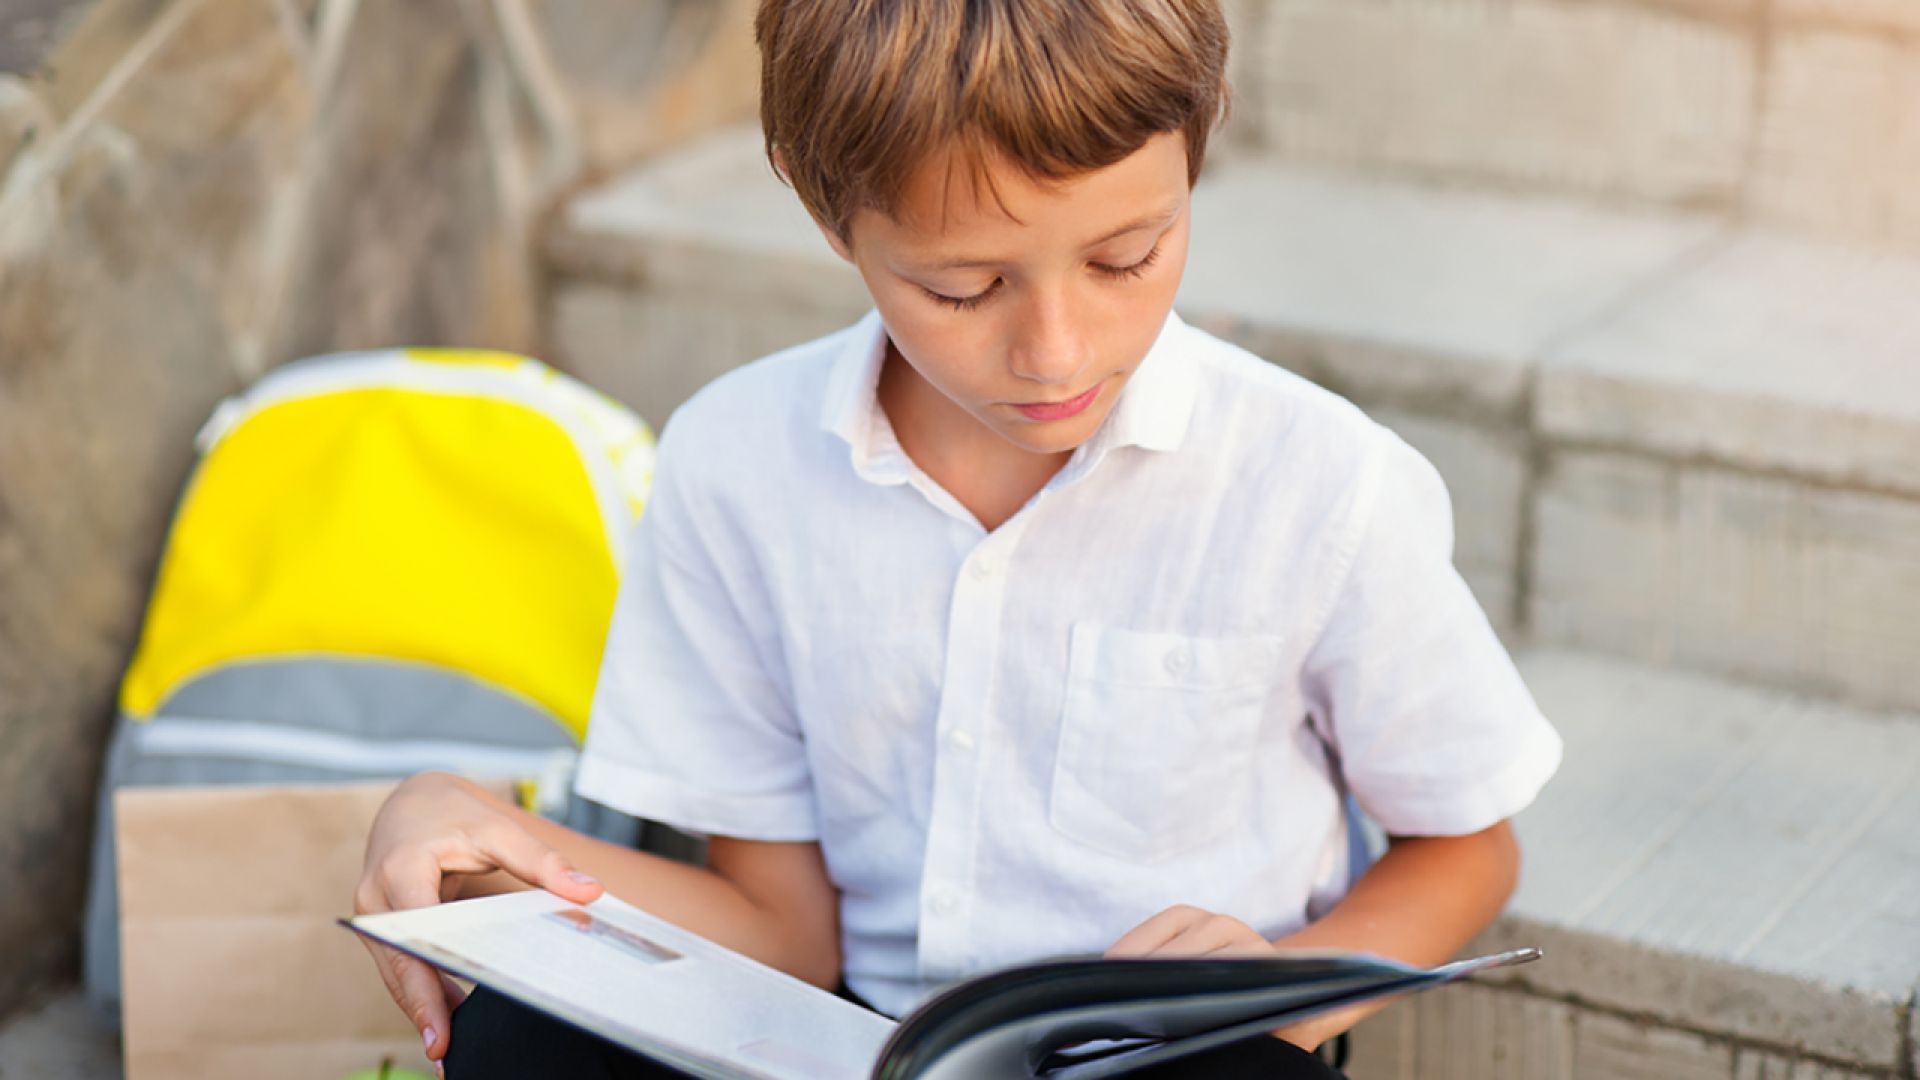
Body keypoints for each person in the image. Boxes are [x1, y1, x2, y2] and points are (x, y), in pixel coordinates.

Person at [355, 1, 1564, 1076]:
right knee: (527, 1042)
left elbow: (1468, 849)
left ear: (1198, 150)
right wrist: (486, 828)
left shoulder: (1317, 479)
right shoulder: (737, 466)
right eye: (965, 288)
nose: (1057, 351)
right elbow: (778, 930)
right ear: (822, 205)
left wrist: (1271, 996)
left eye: (1126, 259)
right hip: (857, 1034)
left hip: (1177, 1054)